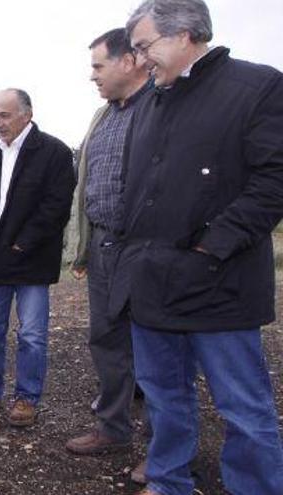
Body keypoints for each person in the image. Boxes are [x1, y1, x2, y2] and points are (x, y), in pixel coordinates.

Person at [114, 1, 283, 493]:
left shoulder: (258, 87)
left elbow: (274, 180)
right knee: (165, 398)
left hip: (220, 283)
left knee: (243, 407)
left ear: (186, 33)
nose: (141, 60)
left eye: (145, 47)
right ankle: (167, 481)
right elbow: (136, 186)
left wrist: (214, 245)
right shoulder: (148, 102)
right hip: (150, 281)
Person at [0, 89, 75, 427]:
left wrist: (24, 244)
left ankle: (26, 398)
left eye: (5, 115)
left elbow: (56, 207)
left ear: (27, 113)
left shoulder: (54, 152)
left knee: (33, 335)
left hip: (32, 261)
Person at [64, 28, 152, 463]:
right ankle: (113, 429)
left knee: (155, 346)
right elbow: (87, 184)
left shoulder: (160, 105)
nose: (92, 76)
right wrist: (83, 248)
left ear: (129, 61)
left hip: (145, 249)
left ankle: (163, 450)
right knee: (106, 338)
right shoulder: (103, 116)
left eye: (98, 66)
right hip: (103, 245)